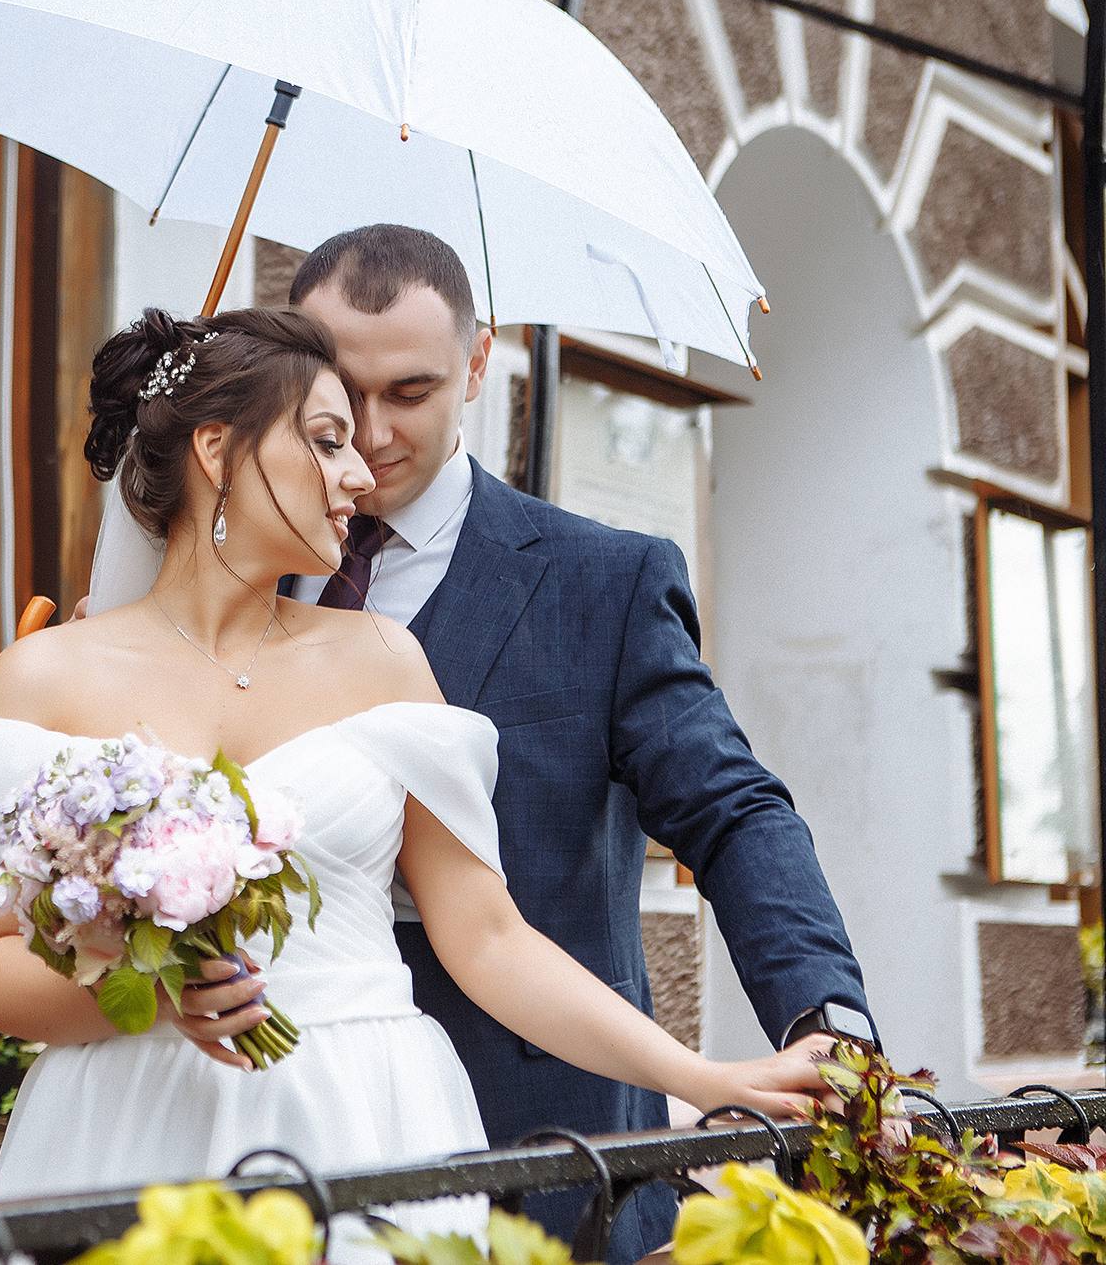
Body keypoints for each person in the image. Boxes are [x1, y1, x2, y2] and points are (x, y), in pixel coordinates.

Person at [0, 306, 833, 1258]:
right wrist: (154, 994)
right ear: (213, 448)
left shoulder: (385, 660)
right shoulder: (43, 677)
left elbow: (489, 937)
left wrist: (699, 1076)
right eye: (326, 440)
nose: (361, 473)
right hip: (124, 1124)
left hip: (365, 1113)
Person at [282, 225, 873, 1260]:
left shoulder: (604, 582)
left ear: (477, 362)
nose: (370, 432)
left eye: (410, 392)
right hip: (275, 1127)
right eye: (342, 387)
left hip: (546, 1144)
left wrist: (820, 1017)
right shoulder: (239, 568)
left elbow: (732, 812)